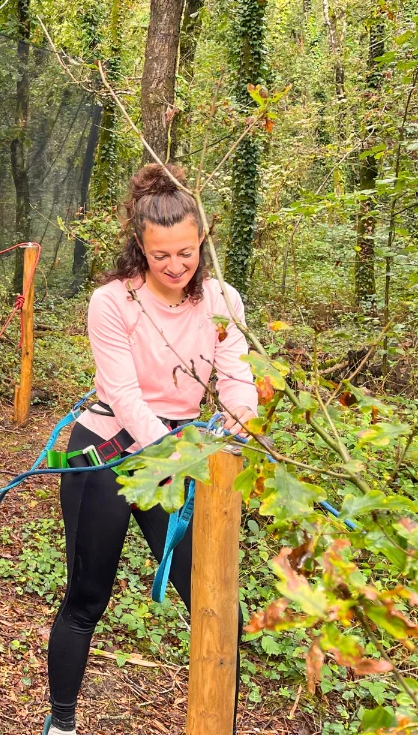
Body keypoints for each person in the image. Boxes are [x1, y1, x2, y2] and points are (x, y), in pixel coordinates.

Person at [41, 164, 255, 735]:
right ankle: (62, 723)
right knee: (87, 598)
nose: (176, 266)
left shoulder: (221, 299)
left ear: (202, 239)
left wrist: (239, 422)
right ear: (140, 245)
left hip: (181, 450)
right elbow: (124, 395)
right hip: (109, 451)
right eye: (162, 255)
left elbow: (237, 377)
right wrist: (178, 453)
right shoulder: (113, 301)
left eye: (186, 252)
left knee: (217, 604)